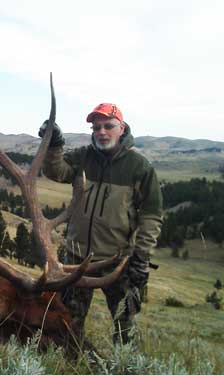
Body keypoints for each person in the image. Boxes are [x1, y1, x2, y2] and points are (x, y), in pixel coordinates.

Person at [39, 103, 163, 344]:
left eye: (108, 126)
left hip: (117, 261)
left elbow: (151, 214)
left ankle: (127, 368)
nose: (102, 132)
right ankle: (69, 362)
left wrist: (142, 257)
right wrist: (54, 145)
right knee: (66, 322)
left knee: (124, 325)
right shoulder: (83, 156)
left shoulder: (140, 168)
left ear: (122, 128)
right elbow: (57, 172)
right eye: (96, 127)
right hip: (76, 258)